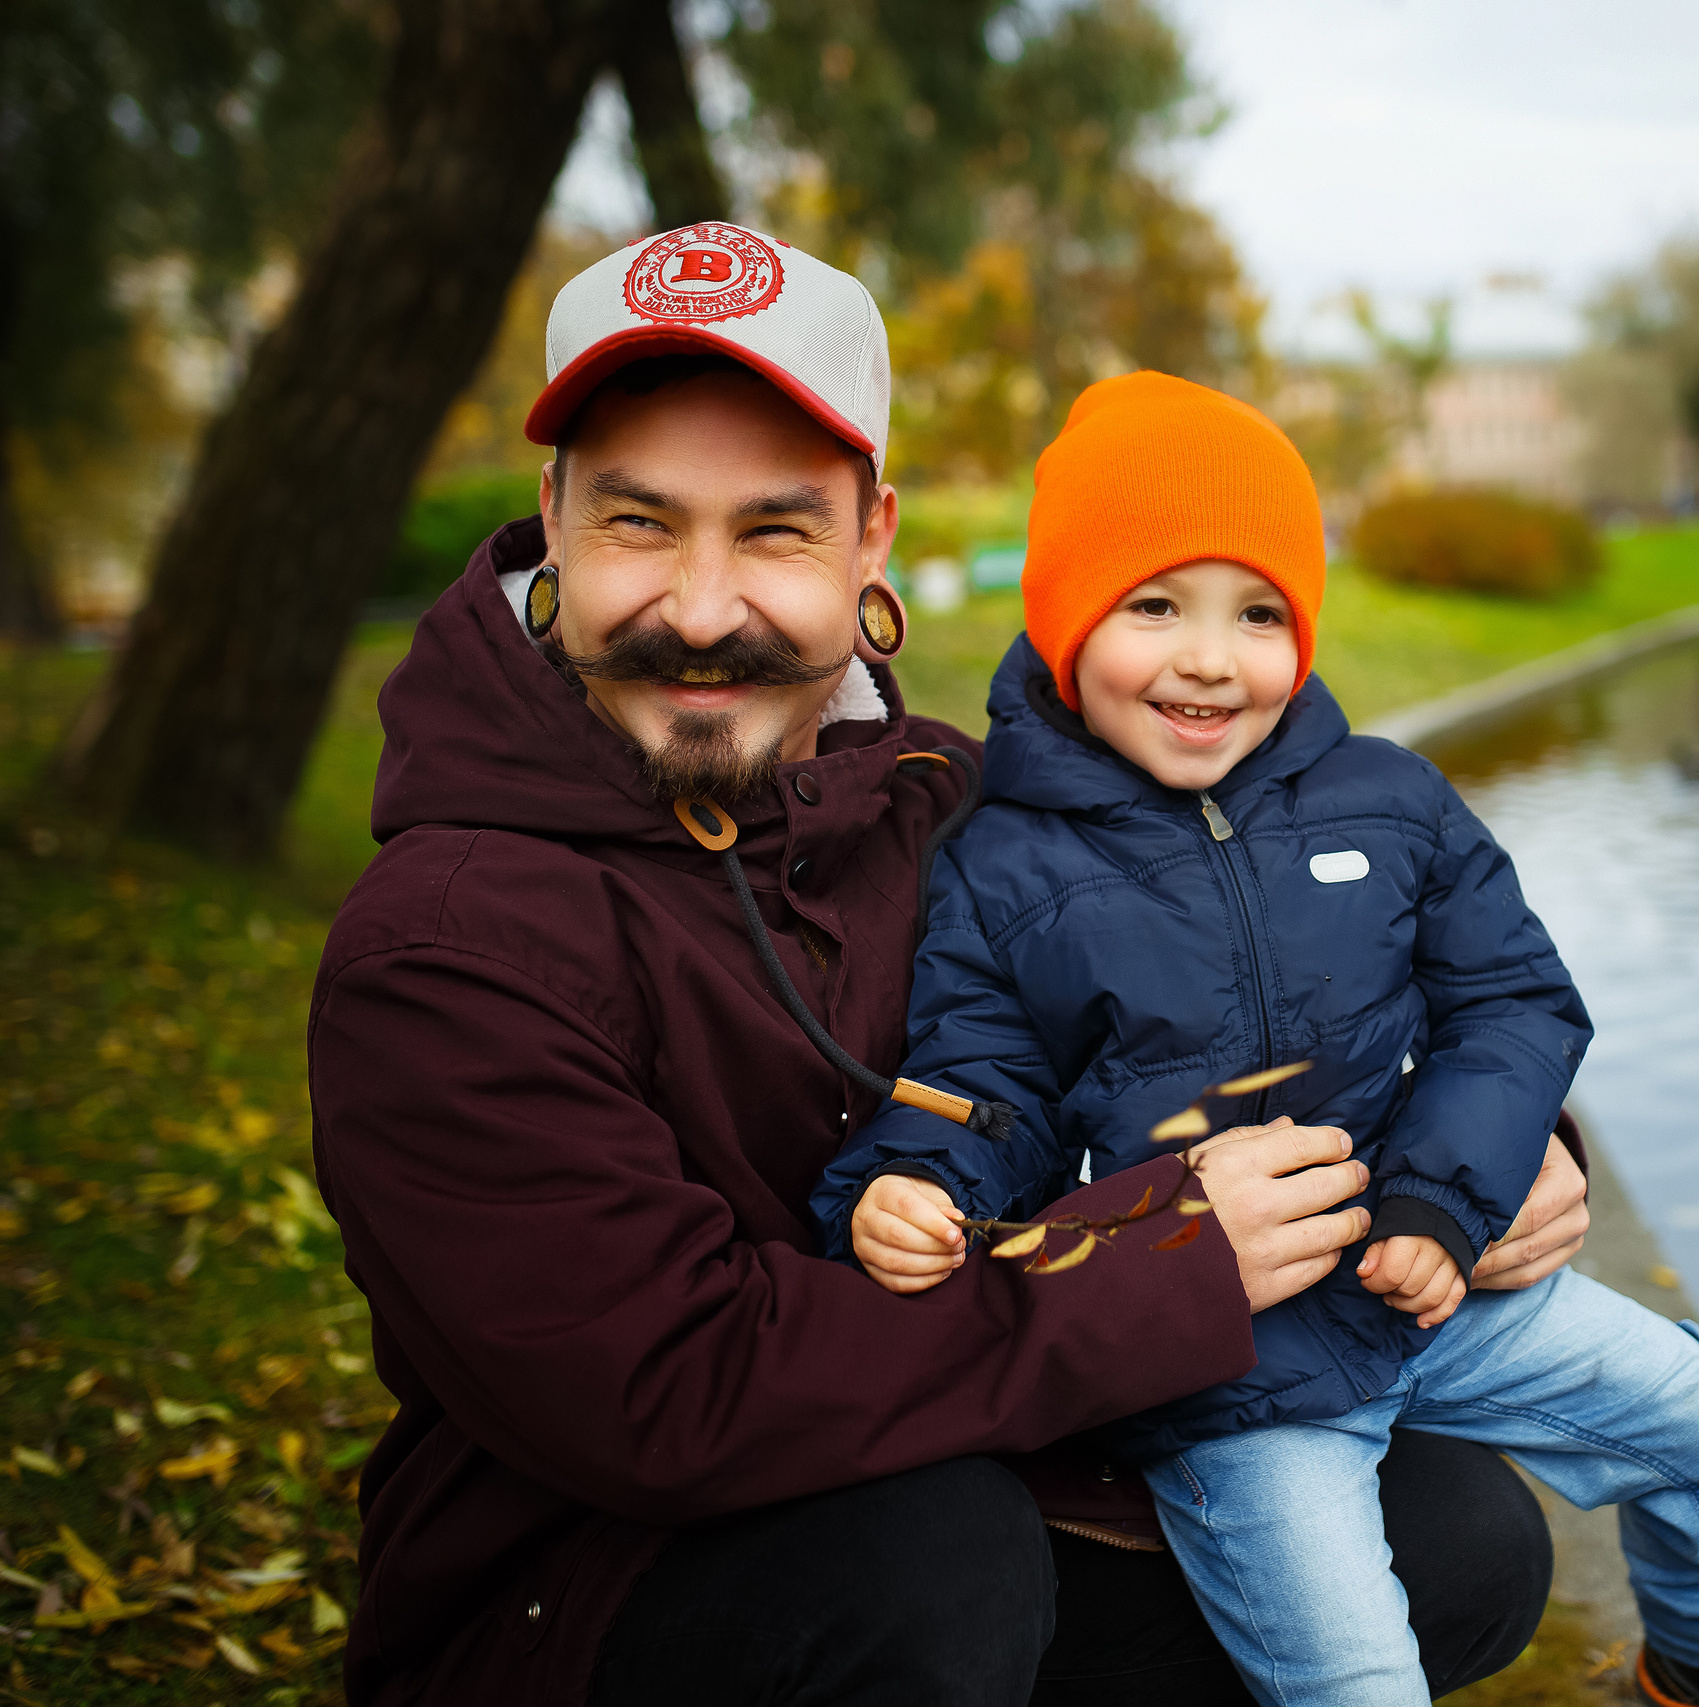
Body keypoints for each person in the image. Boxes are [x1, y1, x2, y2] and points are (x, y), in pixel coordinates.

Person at [307, 224, 1593, 1707]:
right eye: (642, 524)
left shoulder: (960, 806)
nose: (705, 607)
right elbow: (669, 1395)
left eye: (776, 530)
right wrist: (1158, 1263)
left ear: (871, 543)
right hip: (594, 1593)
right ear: (553, 521)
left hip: (1005, 1453)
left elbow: (1269, 989)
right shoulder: (443, 945)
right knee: (933, 1566)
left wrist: (1480, 1158)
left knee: (1454, 1534)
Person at [816, 373, 1699, 1707]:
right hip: (1227, 1378)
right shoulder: (1000, 864)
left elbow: (1515, 1004)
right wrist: (913, 1185)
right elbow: (981, 1085)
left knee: (1693, 1404)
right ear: (1064, 619)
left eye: (1260, 612)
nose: (1212, 658)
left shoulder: (1387, 801)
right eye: (1155, 604)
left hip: (1429, 1290)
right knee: (1355, 1680)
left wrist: (1445, 1196)